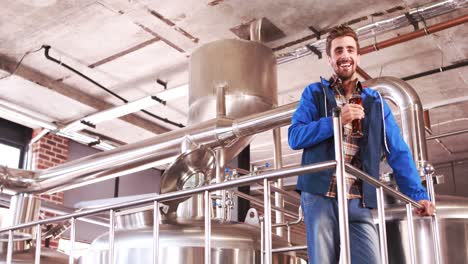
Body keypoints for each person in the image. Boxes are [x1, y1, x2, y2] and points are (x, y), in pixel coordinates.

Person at [288, 25, 436, 264]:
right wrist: (336, 120)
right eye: (338, 51)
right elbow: (295, 136)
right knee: (323, 260)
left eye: (350, 50)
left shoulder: (375, 102)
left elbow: (397, 151)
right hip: (320, 195)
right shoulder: (314, 93)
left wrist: (418, 194)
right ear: (330, 59)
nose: (344, 55)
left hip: (359, 197)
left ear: (358, 56)